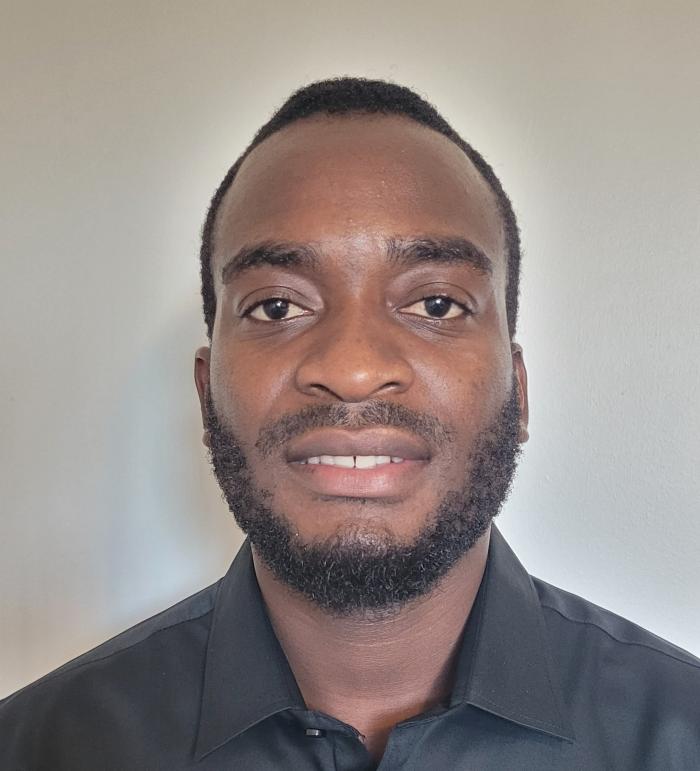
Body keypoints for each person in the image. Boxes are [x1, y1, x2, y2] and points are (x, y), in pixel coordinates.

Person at [1, 77, 698, 770]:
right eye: (277, 307)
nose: (354, 368)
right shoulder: (37, 746)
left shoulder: (679, 735)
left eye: (436, 303)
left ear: (517, 389)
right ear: (205, 392)